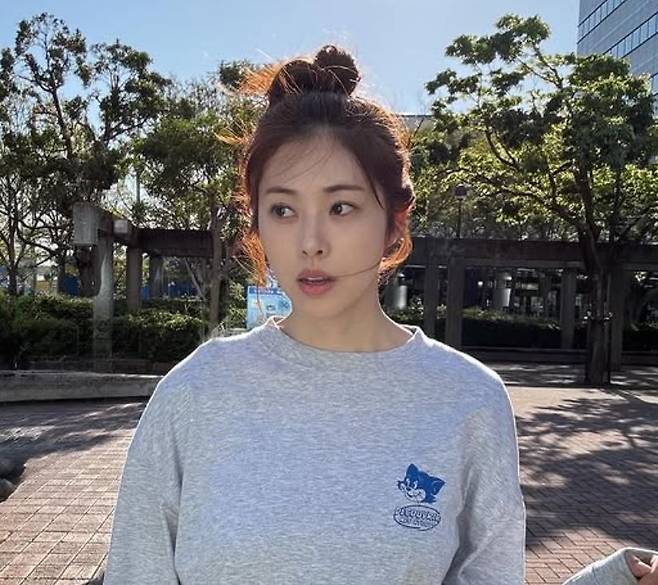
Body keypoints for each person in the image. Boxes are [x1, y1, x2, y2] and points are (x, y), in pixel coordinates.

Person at [101, 44, 654, 585]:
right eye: (283, 209)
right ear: (257, 223)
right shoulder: (195, 393)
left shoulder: (469, 399)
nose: (310, 242)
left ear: (394, 222)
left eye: (341, 207)